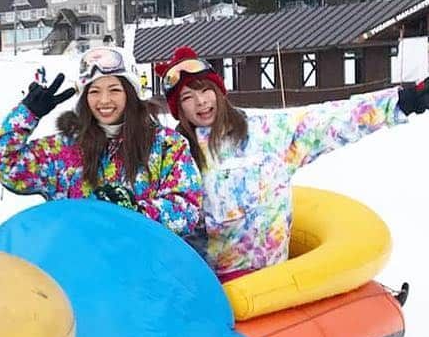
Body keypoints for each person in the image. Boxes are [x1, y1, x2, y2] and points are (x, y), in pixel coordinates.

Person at [156, 45, 429, 281]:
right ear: (177, 109)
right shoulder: (176, 155)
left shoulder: (267, 132)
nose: (200, 102)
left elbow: (329, 121)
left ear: (219, 91)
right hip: (217, 288)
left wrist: (401, 101)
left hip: (276, 282)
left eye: (205, 91)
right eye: (187, 98)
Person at [0, 46, 203, 239]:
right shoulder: (63, 150)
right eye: (94, 91)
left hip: (144, 275)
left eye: (114, 90)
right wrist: (28, 113)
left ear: (131, 94)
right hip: (78, 276)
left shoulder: (166, 145)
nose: (104, 100)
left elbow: (188, 208)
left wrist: (136, 211)